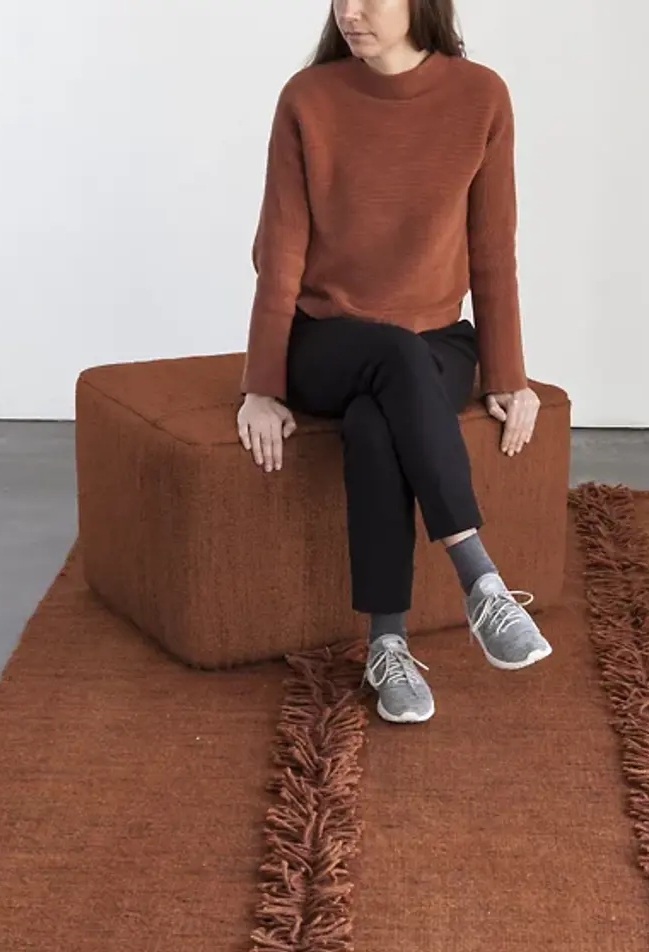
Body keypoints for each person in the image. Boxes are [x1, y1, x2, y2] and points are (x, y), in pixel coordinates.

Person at [236, 0, 552, 725]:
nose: (351, 11)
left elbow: (492, 247)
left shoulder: (481, 97)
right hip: (326, 342)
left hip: (435, 343)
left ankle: (386, 645)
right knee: (391, 355)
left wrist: (507, 375)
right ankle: (481, 580)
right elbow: (279, 253)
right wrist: (261, 385)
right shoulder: (308, 99)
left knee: (377, 419)